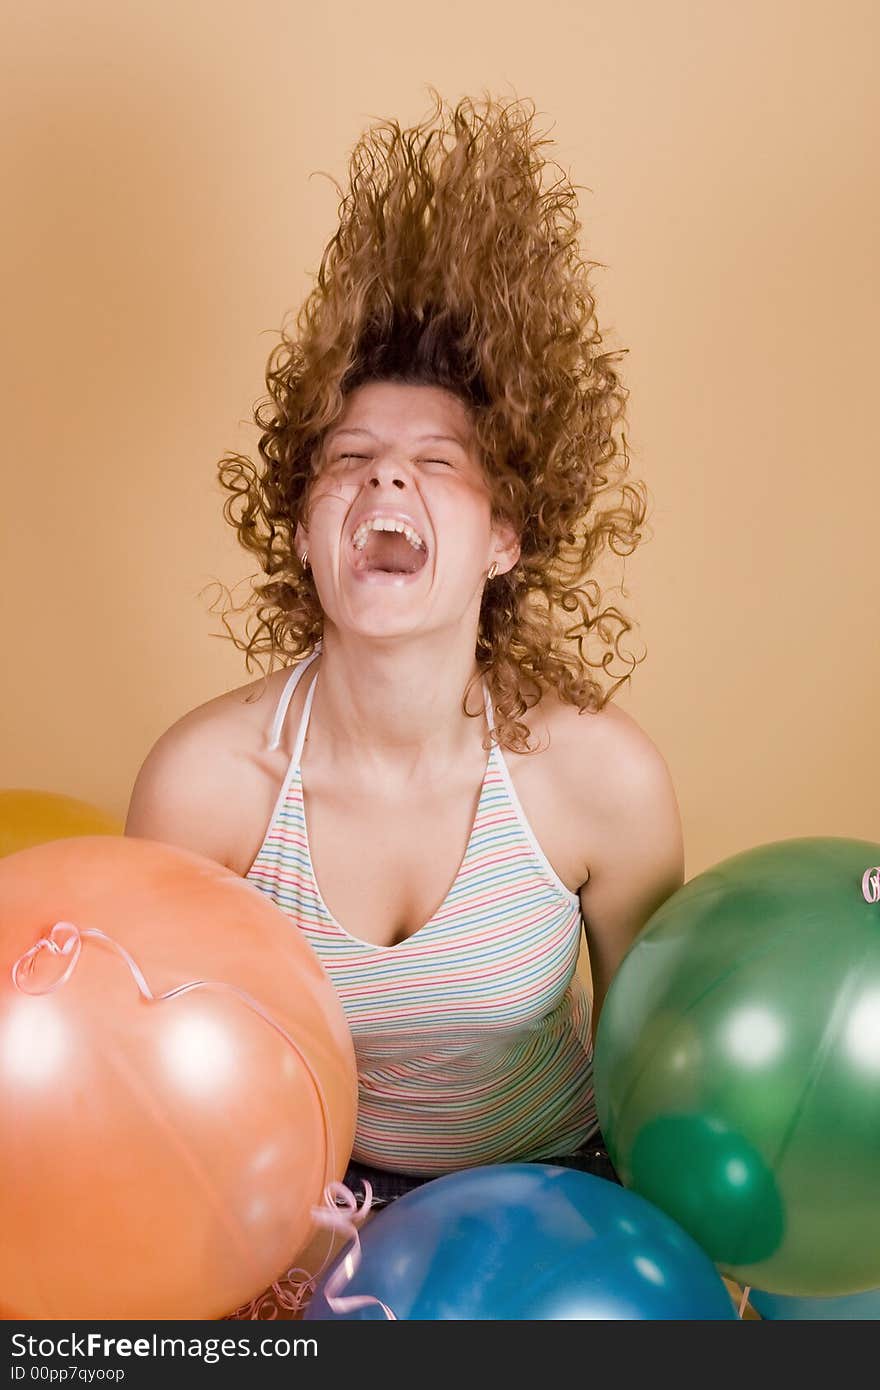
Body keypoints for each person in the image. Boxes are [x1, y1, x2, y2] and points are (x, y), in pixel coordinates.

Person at [125, 90, 684, 1260]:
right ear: (302, 527)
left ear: (504, 537)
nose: (388, 485)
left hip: (557, 1202)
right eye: (351, 462)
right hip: (307, 1217)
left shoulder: (599, 779)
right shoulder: (206, 786)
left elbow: (659, 1078)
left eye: (438, 464)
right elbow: (162, 1088)